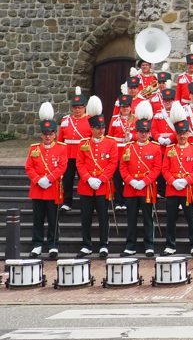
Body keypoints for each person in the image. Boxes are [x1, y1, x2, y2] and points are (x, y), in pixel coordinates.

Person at [26, 103, 66, 258]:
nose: (48, 136)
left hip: (53, 188)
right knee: (37, 219)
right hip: (38, 189)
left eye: (50, 133)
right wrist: (37, 179)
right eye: (45, 133)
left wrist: (48, 179)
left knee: (53, 219)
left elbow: (62, 166)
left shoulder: (61, 148)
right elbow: (29, 167)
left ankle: (53, 244)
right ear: (41, 135)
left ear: (55, 134)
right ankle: (37, 244)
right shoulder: (34, 148)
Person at [76, 107, 117, 258]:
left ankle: (103, 244)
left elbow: (112, 164)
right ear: (91, 129)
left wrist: (100, 179)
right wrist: (88, 178)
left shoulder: (111, 143)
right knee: (86, 217)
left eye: (103, 127)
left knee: (103, 217)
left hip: (102, 186)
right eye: (98, 128)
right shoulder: (83, 143)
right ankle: (86, 244)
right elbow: (80, 164)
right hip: (87, 186)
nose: (101, 131)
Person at [120, 109, 161, 257]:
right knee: (131, 218)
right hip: (131, 188)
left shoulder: (155, 148)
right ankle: (130, 245)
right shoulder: (128, 147)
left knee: (148, 218)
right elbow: (122, 167)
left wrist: (144, 181)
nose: (143, 134)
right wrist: (131, 181)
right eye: (141, 131)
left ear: (149, 132)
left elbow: (157, 168)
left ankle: (149, 245)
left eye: (146, 131)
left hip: (147, 188)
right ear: (136, 132)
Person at [161, 110, 193, 256]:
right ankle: (170, 245)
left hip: (188, 189)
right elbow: (164, 169)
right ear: (176, 135)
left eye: (184, 133)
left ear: (188, 134)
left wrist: (186, 181)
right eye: (179, 133)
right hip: (172, 189)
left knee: (191, 218)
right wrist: (173, 181)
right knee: (170, 219)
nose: (182, 136)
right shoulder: (170, 149)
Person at [57, 86, 91, 212]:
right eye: (75, 107)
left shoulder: (89, 120)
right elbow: (60, 140)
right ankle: (67, 202)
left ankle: (85, 201)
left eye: (80, 107)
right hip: (68, 154)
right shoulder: (66, 120)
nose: (77, 110)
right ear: (71, 108)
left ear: (84, 107)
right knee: (67, 179)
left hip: (83, 155)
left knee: (84, 179)